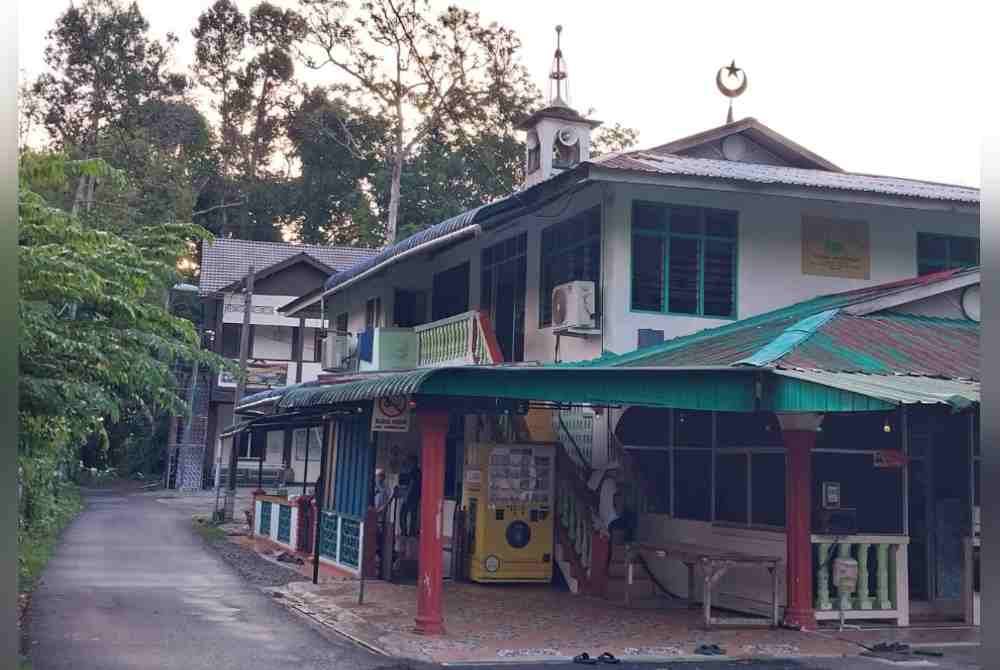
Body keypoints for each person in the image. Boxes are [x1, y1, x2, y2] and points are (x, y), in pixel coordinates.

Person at [398, 454, 421, 537]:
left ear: (413, 462)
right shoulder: (418, 471)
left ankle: (404, 532)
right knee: (413, 516)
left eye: (410, 461)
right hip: (416, 497)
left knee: (403, 514)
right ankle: (411, 533)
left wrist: (406, 496)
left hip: (410, 496)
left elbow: (411, 484)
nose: (409, 463)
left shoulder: (414, 472)